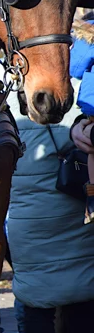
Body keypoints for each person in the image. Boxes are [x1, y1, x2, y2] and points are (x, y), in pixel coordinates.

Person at [10, 29, 94, 333]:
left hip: (27, 225)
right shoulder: (78, 104)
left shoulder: (8, 105)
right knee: (82, 302)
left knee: (35, 310)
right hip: (77, 217)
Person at [69, 11, 94, 222]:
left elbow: (75, 69)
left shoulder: (88, 32)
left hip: (92, 105)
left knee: (92, 151)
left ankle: (93, 203)